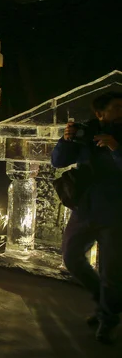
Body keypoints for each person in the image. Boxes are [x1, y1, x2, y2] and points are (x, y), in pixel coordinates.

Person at [51, 91, 122, 344]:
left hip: (116, 215)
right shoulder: (86, 132)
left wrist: (116, 147)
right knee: (71, 258)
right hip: (84, 209)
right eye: (116, 107)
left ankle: (108, 318)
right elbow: (58, 162)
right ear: (99, 113)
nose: (121, 111)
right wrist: (66, 140)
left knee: (112, 273)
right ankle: (105, 302)